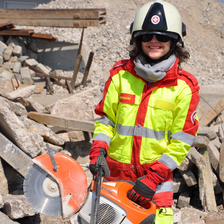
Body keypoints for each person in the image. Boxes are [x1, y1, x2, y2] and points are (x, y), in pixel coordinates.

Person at [89, 0, 200, 223]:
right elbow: (107, 120)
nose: (154, 41)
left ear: (175, 41)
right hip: (114, 177)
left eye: (162, 36)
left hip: (156, 185)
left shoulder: (185, 87)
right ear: (137, 40)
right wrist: (98, 150)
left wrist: (152, 179)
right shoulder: (119, 76)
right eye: (147, 36)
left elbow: (181, 142)